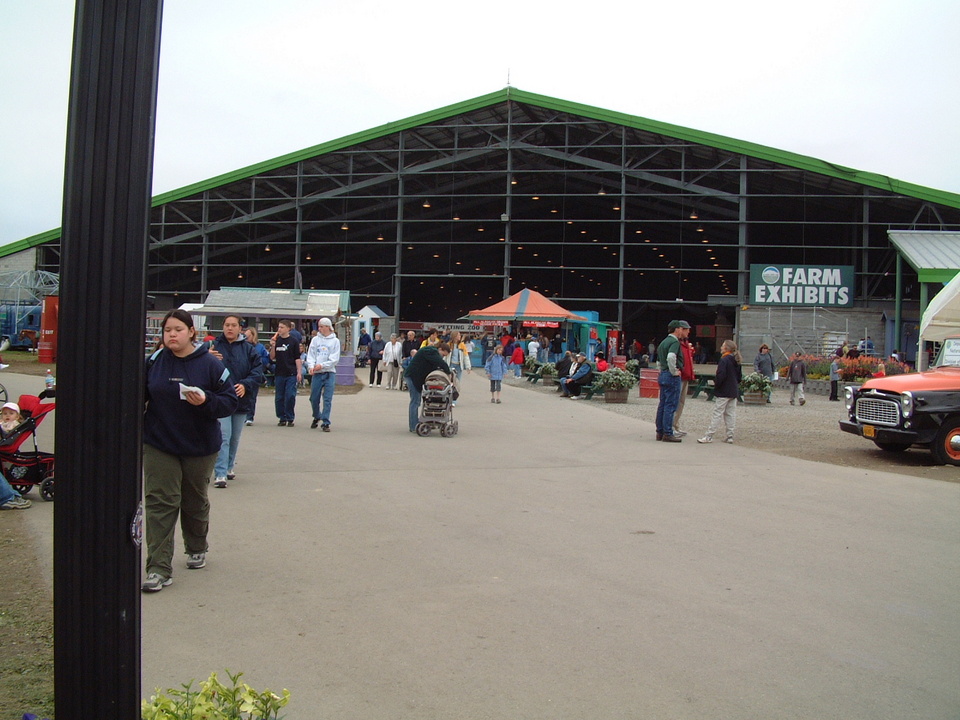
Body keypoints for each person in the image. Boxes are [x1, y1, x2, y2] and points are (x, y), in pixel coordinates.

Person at [142, 309, 238, 592]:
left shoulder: (210, 364)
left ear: (191, 332)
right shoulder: (154, 362)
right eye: (167, 330)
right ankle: (158, 568)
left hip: (200, 446)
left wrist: (205, 400)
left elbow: (229, 402)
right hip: (160, 443)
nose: (171, 334)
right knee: (160, 502)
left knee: (194, 500)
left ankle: (196, 546)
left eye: (178, 330)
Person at [210, 315, 264, 488]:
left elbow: (257, 373)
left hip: (241, 399)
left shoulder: (249, 349)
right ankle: (220, 473)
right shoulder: (213, 347)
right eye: (227, 325)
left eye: (233, 325)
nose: (230, 328)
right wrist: (207, 356)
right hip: (221, 398)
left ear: (240, 328)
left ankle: (229, 467)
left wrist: (245, 385)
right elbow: (196, 362)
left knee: (234, 437)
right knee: (224, 435)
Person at [697, 340, 742, 444]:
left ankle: (709, 435)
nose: (721, 348)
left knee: (717, 413)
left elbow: (720, 375)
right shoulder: (736, 360)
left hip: (723, 390)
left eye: (722, 346)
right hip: (733, 390)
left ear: (726, 348)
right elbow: (739, 377)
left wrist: (717, 385)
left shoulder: (724, 360)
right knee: (730, 414)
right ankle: (730, 436)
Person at [404, 342, 452, 433]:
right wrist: (448, 372)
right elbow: (440, 362)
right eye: (443, 355)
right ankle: (413, 426)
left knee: (416, 401)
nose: (442, 357)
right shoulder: (430, 351)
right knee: (415, 401)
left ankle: (415, 423)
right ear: (440, 349)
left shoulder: (431, 353)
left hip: (415, 377)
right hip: (412, 377)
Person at [655, 320, 690, 442]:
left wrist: (662, 370)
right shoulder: (674, 342)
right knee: (671, 405)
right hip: (671, 376)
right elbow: (671, 356)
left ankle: (659, 431)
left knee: (662, 404)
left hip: (663, 374)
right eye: (682, 328)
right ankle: (668, 433)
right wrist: (674, 371)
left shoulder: (663, 342)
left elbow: (659, 360)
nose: (684, 331)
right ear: (677, 329)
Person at [306, 317, 340, 431]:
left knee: (327, 398)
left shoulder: (335, 341)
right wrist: (311, 366)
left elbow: (334, 359)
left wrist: (323, 365)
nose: (319, 329)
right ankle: (317, 416)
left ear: (327, 327)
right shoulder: (315, 340)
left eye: (321, 326)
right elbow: (311, 354)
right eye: (319, 326)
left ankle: (326, 421)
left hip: (329, 373)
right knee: (314, 398)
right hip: (317, 373)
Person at [270, 320, 302, 426]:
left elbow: (297, 358)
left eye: (282, 327)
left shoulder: (293, 341)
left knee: (290, 395)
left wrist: (299, 372)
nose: (279, 329)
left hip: (291, 372)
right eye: (279, 327)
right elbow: (272, 357)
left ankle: (290, 417)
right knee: (279, 397)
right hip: (279, 372)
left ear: (288, 329)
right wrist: (273, 346)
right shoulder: (277, 340)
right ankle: (281, 417)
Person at [243, 327, 272, 424]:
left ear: (253, 336)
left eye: (248, 336)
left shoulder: (260, 347)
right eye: (244, 336)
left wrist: (258, 362)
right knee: (242, 396)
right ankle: (241, 415)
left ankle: (249, 417)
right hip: (243, 373)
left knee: (252, 397)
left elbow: (266, 359)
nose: (246, 338)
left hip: (254, 374)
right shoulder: (242, 346)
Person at [672, 337, 696, 437]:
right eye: (686, 330)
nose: (688, 333)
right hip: (680, 375)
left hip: (685, 375)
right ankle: (671, 426)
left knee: (681, 402)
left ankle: (676, 425)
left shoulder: (685, 345)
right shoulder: (676, 344)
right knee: (675, 401)